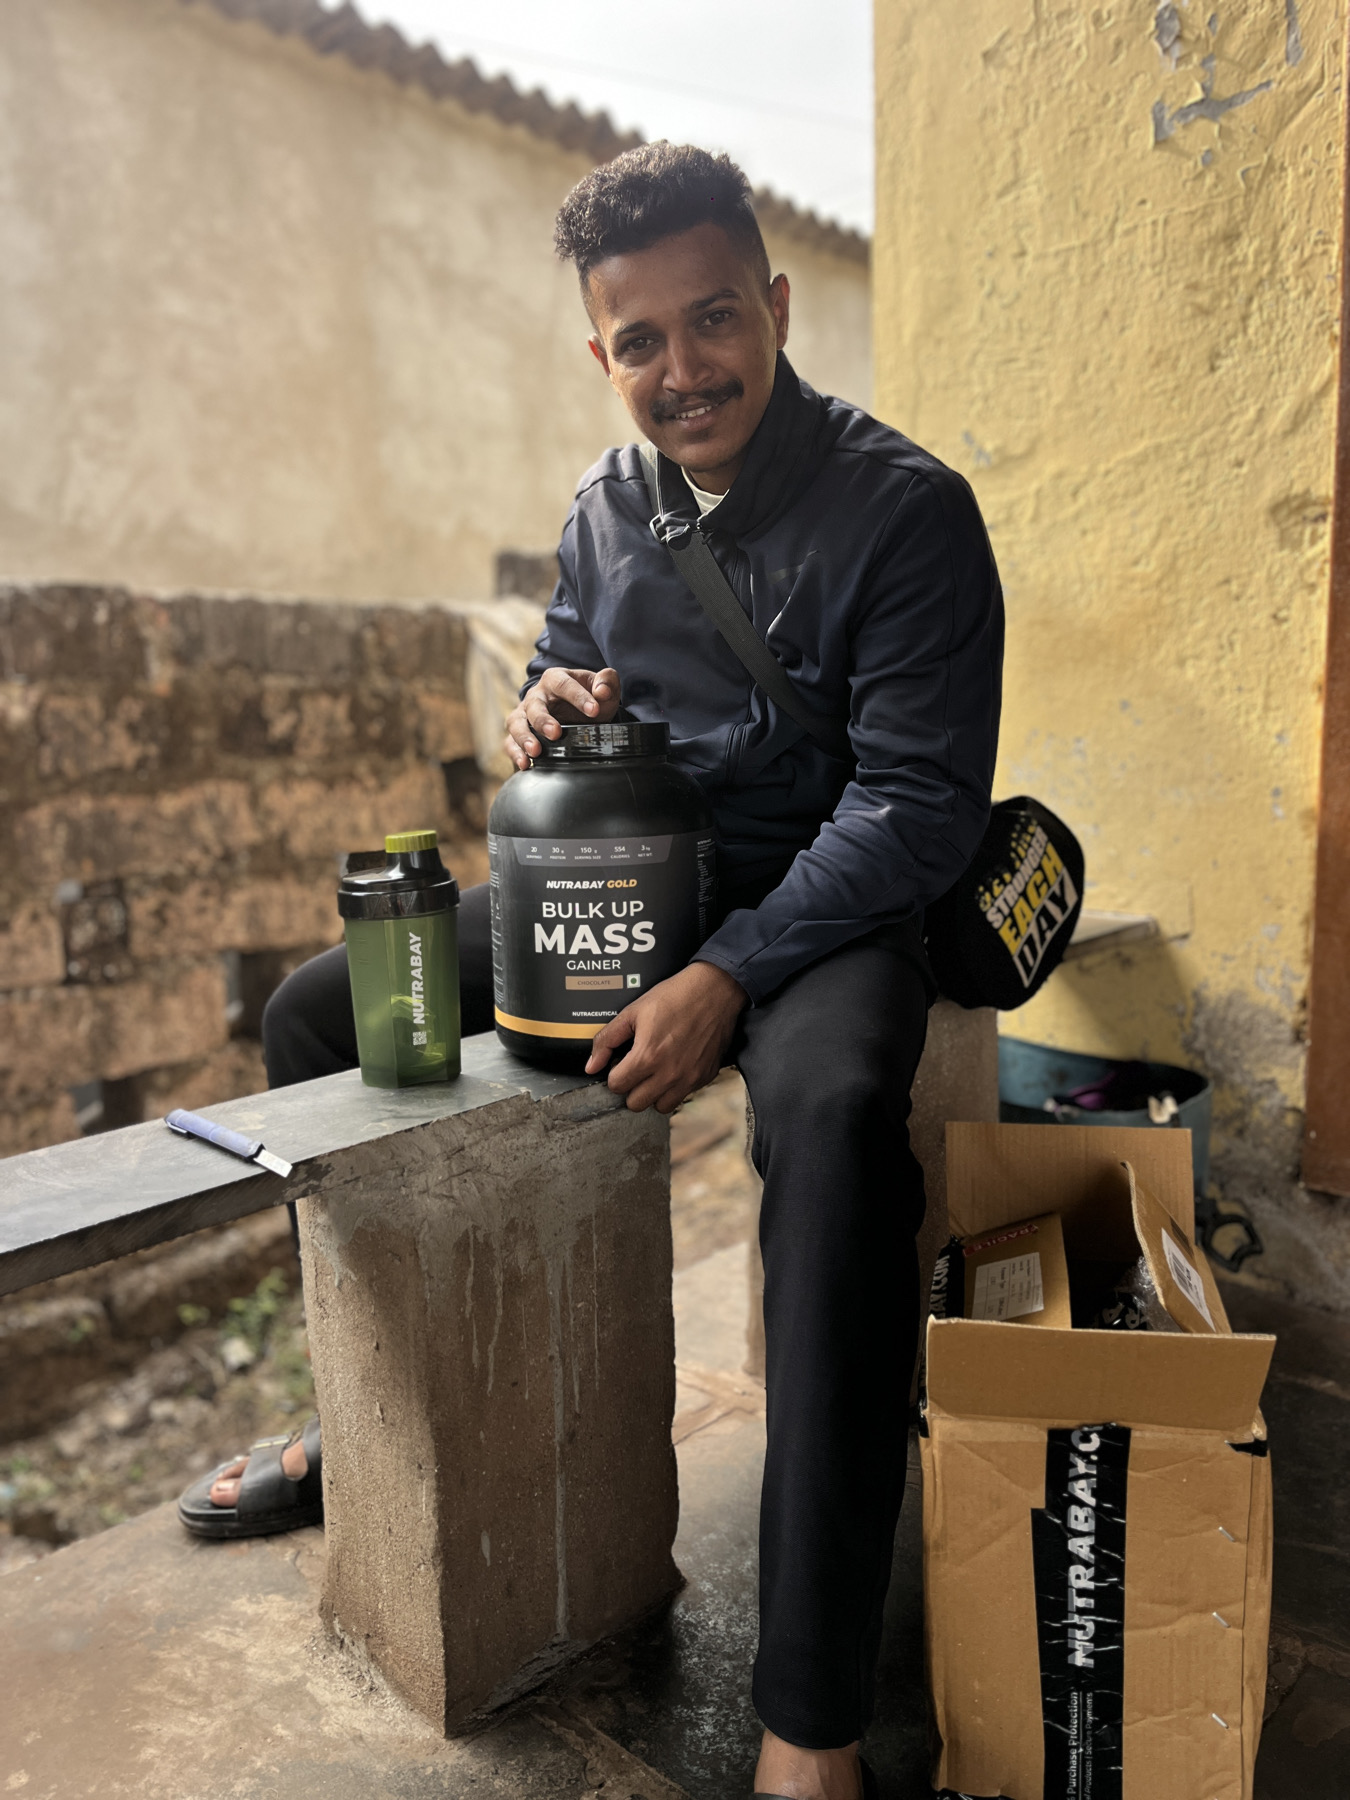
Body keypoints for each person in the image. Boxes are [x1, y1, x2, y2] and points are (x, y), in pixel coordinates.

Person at [179, 143, 1003, 1800]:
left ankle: (810, 1718)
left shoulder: (905, 510)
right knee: (322, 1012)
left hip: (828, 911)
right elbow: (565, 672)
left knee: (837, 1134)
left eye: (714, 320)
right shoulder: (605, 509)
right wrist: (544, 712)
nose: (681, 368)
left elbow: (916, 807)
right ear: (598, 351)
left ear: (774, 307)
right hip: (633, 885)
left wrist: (728, 976)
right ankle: (367, 1415)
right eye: (640, 341)